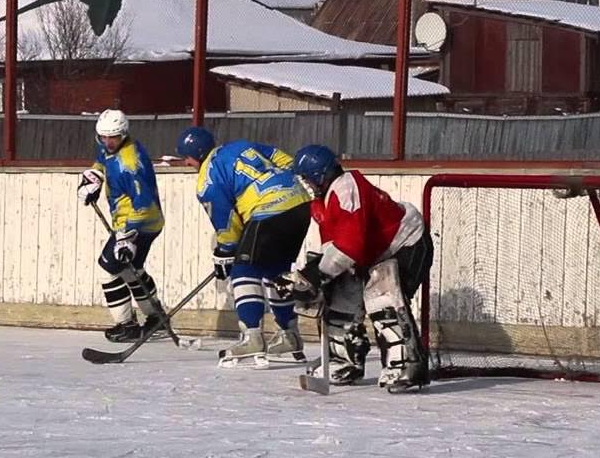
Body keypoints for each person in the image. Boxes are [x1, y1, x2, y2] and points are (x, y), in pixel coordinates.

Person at [283, 144, 434, 393]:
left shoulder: (346, 188)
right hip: (373, 250)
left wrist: (317, 275)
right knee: (341, 297)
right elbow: (334, 247)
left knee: (382, 297)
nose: (306, 184)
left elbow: (350, 246)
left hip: (405, 242)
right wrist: (312, 275)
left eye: (307, 178)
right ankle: (344, 361)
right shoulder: (323, 201)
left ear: (320, 175)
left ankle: (405, 364)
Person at [175, 127, 312, 367]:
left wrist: (226, 250)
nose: (186, 163)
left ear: (195, 154)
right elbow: (284, 159)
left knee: (243, 271)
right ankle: (290, 334)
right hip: (299, 204)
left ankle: (252, 337)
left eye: (185, 157)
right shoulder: (239, 145)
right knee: (275, 271)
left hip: (268, 211)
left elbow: (225, 220)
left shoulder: (207, 177)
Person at [78, 109, 166, 342]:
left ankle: (126, 325)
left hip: (141, 223)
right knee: (130, 269)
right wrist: (93, 180)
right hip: (129, 223)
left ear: (123, 134)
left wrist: (127, 237)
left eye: (113, 137)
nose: (107, 142)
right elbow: (100, 163)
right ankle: (156, 317)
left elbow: (144, 203)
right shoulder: (106, 146)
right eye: (103, 137)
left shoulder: (131, 163)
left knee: (108, 270)